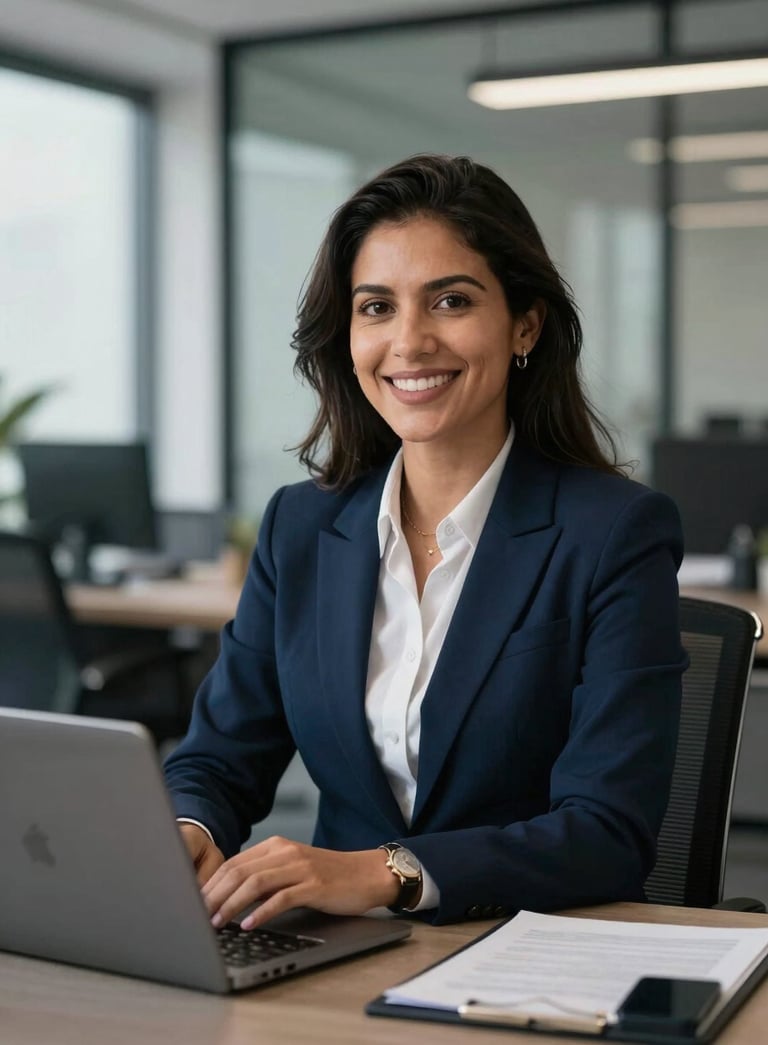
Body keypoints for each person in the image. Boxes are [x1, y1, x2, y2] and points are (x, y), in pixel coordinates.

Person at [164, 154, 686, 929]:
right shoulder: (300, 527)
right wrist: (190, 832)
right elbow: (219, 756)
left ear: (525, 325)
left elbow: (607, 831)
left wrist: (389, 872)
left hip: (527, 953)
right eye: (376, 307)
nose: (409, 341)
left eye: (450, 300)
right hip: (332, 955)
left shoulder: (613, 534)